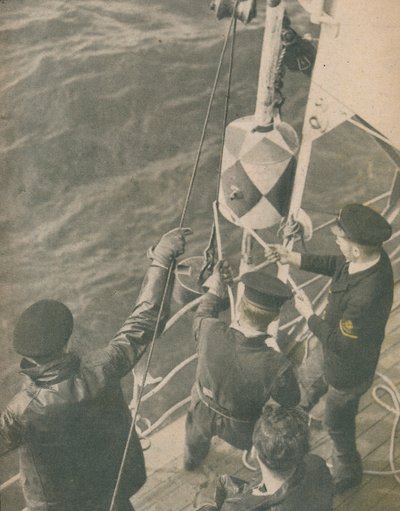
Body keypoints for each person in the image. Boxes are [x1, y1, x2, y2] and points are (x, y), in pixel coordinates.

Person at [0, 227, 191, 511]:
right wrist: (162, 259)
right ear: (66, 343)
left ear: (28, 357)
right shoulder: (103, 367)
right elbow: (144, 320)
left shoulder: (21, 409)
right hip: (111, 489)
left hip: (58, 504)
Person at [266, 203, 394, 493]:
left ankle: (348, 471)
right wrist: (291, 257)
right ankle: (290, 439)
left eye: (340, 238)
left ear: (356, 249)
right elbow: (337, 265)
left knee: (336, 423)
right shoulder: (369, 258)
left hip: (346, 373)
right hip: (327, 351)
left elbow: (341, 344)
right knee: (303, 389)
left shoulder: (366, 295)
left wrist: (309, 315)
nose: (336, 240)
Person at [184, 261, 300, 471]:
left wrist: (216, 287)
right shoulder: (277, 365)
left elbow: (202, 313)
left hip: (202, 408)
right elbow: (291, 400)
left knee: (194, 439)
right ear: (275, 317)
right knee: (254, 441)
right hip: (241, 426)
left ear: (239, 306)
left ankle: (191, 461)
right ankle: (256, 460)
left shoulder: (209, 329)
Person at [196, 403, 333, 511]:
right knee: (223, 482)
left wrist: (205, 503)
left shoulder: (236, 508)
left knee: (206, 496)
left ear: (254, 452)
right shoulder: (317, 464)